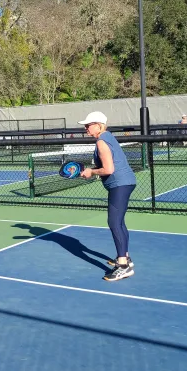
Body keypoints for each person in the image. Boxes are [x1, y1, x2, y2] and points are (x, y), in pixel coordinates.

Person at [78, 112, 137, 282]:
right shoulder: (108, 137)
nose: (85, 128)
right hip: (125, 182)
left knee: (113, 222)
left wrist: (91, 171)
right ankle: (125, 257)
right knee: (119, 222)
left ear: (98, 125)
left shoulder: (102, 141)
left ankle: (123, 266)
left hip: (120, 184)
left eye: (88, 125)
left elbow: (109, 169)